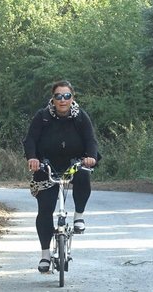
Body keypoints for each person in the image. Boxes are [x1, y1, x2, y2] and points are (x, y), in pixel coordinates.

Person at [23, 80, 99, 273]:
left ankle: (79, 217)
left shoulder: (80, 117)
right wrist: (32, 158)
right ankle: (45, 256)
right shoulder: (43, 117)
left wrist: (90, 157)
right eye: (58, 96)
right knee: (45, 209)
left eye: (66, 96)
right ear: (53, 98)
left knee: (82, 175)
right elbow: (30, 139)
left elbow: (91, 139)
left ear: (72, 97)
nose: (62, 100)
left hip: (73, 164)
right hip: (46, 166)